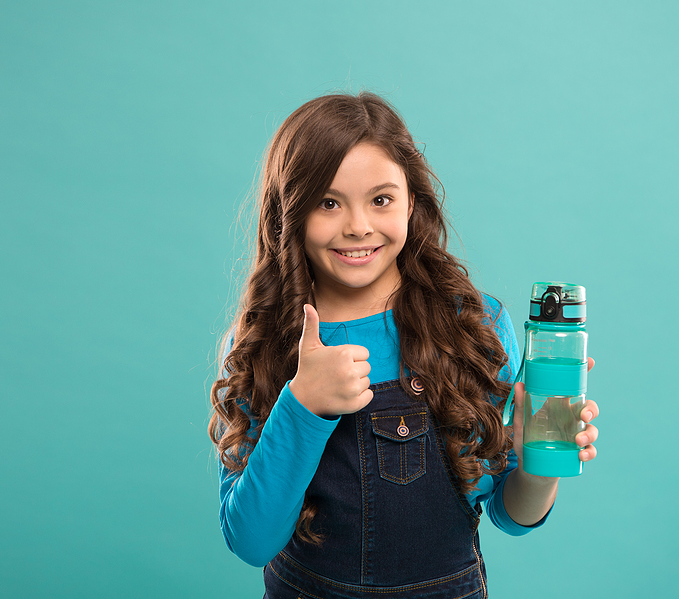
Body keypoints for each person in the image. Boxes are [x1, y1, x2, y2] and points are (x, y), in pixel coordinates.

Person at [209, 92, 599, 598]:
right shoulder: (261, 343)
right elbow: (251, 541)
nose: (357, 225)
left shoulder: (474, 329)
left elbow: (511, 514)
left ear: (412, 202)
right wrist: (302, 405)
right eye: (329, 202)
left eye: (381, 199)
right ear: (291, 213)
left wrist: (535, 465)